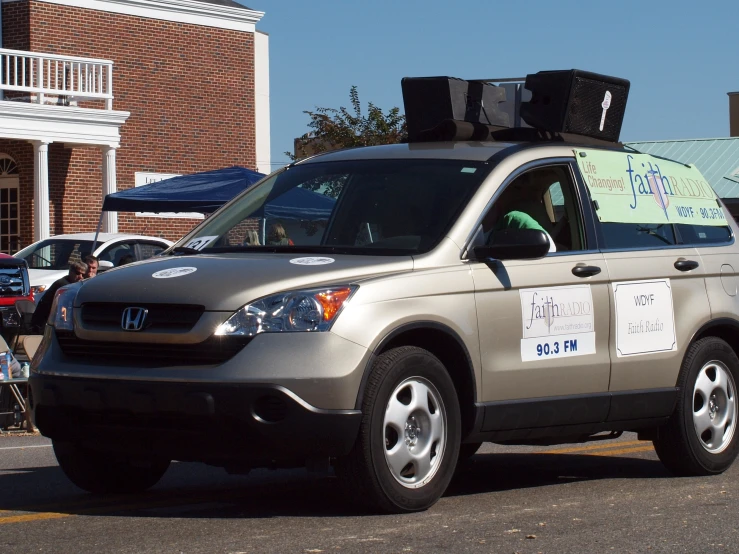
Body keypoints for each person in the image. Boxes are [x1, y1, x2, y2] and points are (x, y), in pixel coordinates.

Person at [30, 261, 87, 332]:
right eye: (78, 273)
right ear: (70, 272)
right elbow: (63, 309)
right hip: (44, 323)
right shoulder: (64, 285)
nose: (80, 277)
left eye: (83, 275)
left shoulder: (71, 283)